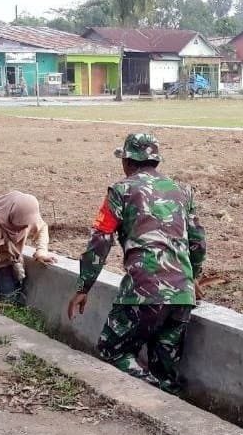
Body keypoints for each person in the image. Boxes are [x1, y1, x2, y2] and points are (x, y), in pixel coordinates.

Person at [67, 133, 207, 394]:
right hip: (182, 294)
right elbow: (198, 241)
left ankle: (151, 387)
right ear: (155, 160)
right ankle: (169, 404)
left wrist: (83, 287)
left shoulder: (120, 191)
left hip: (143, 291)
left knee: (112, 349)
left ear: (127, 161)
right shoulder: (182, 191)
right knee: (165, 369)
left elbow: (100, 241)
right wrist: (193, 277)